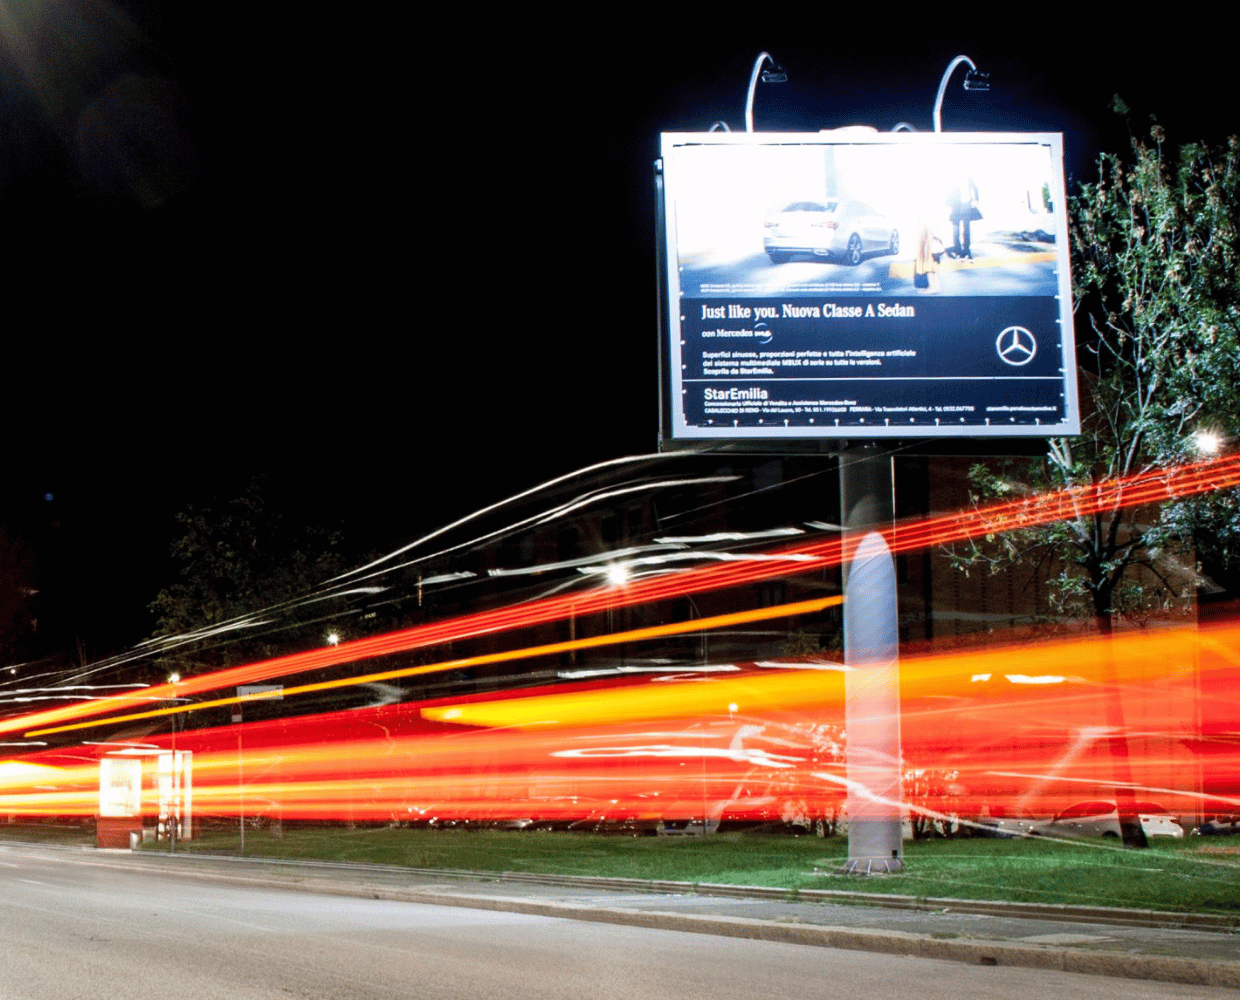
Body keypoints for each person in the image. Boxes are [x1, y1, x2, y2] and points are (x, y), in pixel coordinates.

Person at [946, 176, 981, 259]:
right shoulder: (953, 177)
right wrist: (948, 203)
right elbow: (948, 190)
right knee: (956, 230)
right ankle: (957, 250)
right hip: (956, 206)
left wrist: (976, 199)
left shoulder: (968, 177)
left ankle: (966, 250)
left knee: (966, 230)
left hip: (966, 206)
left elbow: (975, 188)